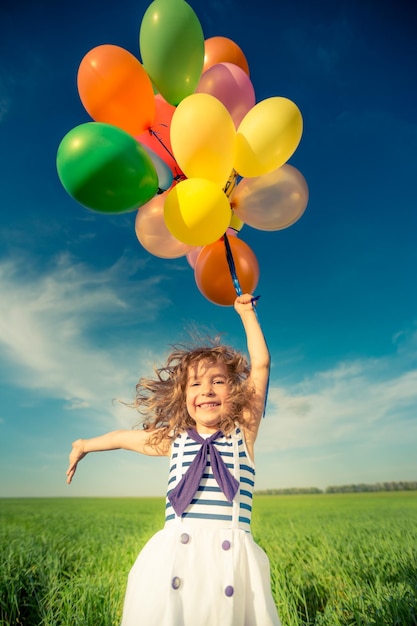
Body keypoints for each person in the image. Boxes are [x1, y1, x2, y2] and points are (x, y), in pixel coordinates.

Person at [66, 293, 281, 626]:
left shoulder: (243, 433)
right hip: (175, 561)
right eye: (195, 384)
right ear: (184, 397)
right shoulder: (175, 440)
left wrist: (245, 314)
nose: (207, 390)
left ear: (234, 391)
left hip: (231, 565)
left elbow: (262, 364)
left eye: (218, 381)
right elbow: (123, 439)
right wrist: (83, 445)